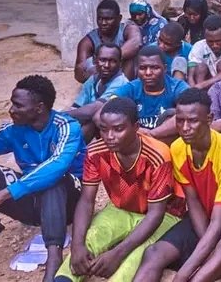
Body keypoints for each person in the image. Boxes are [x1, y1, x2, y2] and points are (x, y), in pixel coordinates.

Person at [54, 98, 182, 282]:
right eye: (104, 129)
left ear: (136, 127)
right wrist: (76, 244)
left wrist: (117, 254)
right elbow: (87, 200)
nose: (109, 136)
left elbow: (156, 214)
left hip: (164, 215)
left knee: (137, 255)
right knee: (92, 236)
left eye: (118, 129)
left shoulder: (158, 155)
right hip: (120, 208)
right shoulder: (96, 152)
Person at [0, 76, 85, 282]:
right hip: (32, 205)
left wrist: (1, 196)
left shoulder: (67, 127)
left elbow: (56, 166)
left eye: (18, 105)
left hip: (70, 204)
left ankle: (54, 259)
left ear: (39, 108)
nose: (11, 110)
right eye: (12, 103)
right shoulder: (12, 130)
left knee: (54, 180)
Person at [133, 89, 221, 282]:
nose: (185, 127)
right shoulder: (178, 148)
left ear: (209, 119)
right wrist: (204, 248)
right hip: (202, 217)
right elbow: (193, 202)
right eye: (180, 120)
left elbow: (219, 221)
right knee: (153, 254)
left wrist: (182, 275)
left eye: (193, 120)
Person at [69, 46, 189, 142]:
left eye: (154, 68)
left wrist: (152, 134)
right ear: (137, 70)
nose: (148, 72)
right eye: (143, 68)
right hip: (134, 143)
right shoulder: (131, 88)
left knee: (174, 115)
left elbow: (189, 114)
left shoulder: (177, 87)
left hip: (164, 144)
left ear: (165, 68)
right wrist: (137, 132)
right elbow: (99, 116)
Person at [75, 0, 142, 83]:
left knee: (129, 57)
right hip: (102, 81)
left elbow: (136, 43)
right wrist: (98, 67)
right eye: (100, 18)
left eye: (108, 19)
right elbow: (79, 73)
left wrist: (111, 61)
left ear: (119, 18)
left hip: (126, 79)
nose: (103, 23)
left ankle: (123, 90)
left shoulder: (128, 29)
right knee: (89, 63)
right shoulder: (88, 41)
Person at [72, 43, 129, 108]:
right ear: (94, 60)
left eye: (113, 61)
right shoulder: (93, 80)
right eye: (102, 60)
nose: (106, 65)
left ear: (120, 63)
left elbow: (96, 109)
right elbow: (76, 105)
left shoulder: (121, 83)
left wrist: (64, 115)